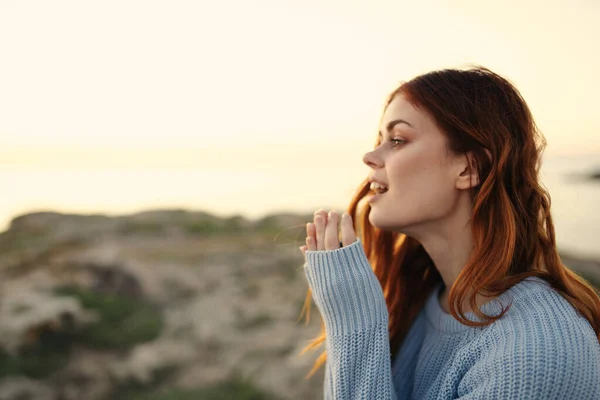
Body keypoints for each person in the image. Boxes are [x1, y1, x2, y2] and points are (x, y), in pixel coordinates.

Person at [298, 65, 600, 399]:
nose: (370, 157)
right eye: (380, 140)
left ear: (469, 168)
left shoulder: (537, 350)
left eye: (397, 140)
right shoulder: (418, 302)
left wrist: (354, 324)